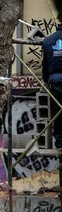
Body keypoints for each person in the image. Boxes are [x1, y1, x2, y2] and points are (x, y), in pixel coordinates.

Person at [41, 20, 62, 149]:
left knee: (58, 114)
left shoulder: (48, 41)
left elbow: (45, 66)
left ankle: (60, 143)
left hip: (55, 82)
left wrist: (46, 80)